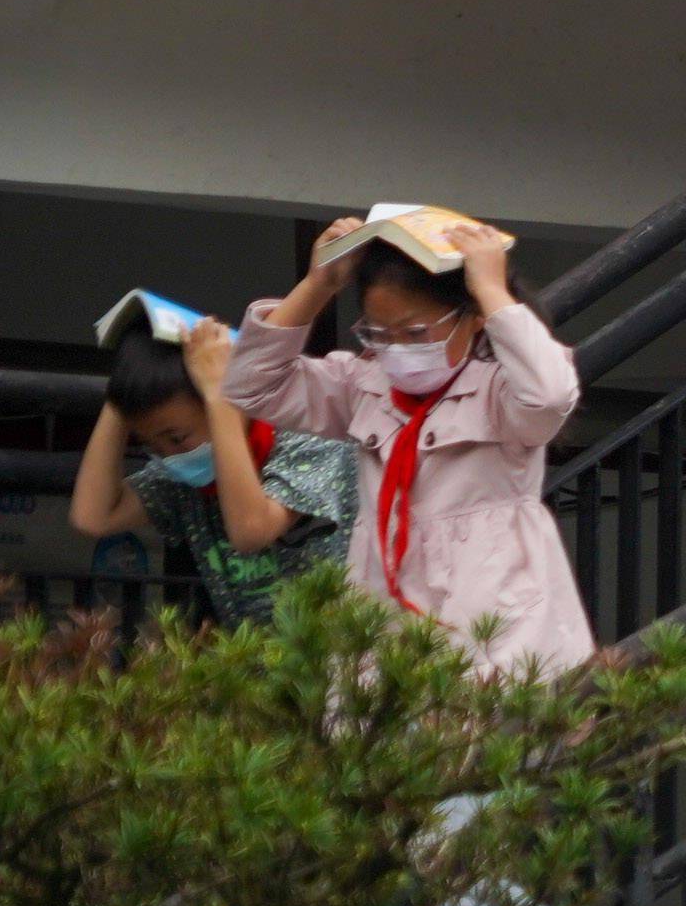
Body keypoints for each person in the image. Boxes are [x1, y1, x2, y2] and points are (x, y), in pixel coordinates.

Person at [223, 216, 592, 675]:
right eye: (377, 333)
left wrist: (494, 293)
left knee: (491, 736)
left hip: (497, 628)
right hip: (384, 623)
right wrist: (318, 284)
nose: (396, 348)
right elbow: (250, 386)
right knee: (378, 733)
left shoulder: (502, 392)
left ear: (473, 320)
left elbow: (551, 394)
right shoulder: (366, 383)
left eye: (416, 333)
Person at [69, 316, 358, 626]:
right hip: (254, 668)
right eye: (153, 446)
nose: (170, 456)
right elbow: (93, 516)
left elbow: (251, 530)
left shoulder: (307, 433)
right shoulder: (184, 480)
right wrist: (123, 393)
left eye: (177, 438)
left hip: (339, 661)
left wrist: (222, 397)